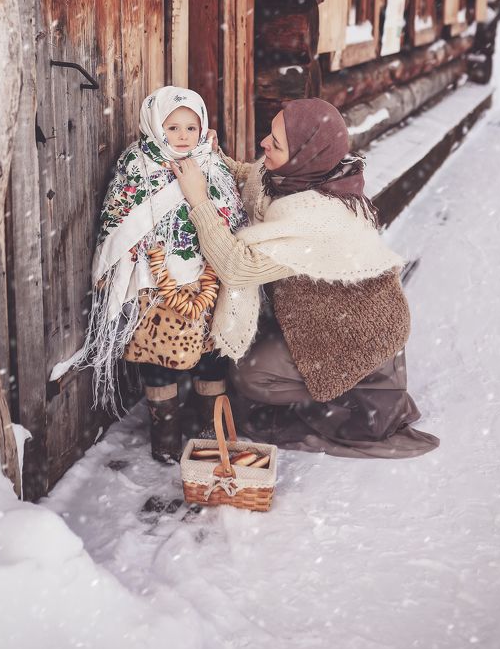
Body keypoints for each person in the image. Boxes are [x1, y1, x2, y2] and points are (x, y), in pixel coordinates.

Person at [170, 98, 439, 458]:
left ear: (304, 155)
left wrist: (199, 200)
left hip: (356, 332)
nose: (264, 142)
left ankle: (346, 390)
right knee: (250, 348)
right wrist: (213, 159)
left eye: (276, 143)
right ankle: (328, 376)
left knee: (249, 376)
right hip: (327, 313)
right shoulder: (304, 175)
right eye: (271, 132)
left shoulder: (317, 217)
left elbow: (238, 267)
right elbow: (252, 176)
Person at [70, 86, 247, 463]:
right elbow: (118, 216)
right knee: (156, 358)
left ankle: (209, 429)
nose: (183, 137)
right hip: (154, 279)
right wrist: (129, 252)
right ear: (154, 125)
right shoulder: (137, 163)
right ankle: (164, 433)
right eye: (173, 128)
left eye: (190, 128)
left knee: (210, 354)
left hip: (205, 277)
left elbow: (230, 208)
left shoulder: (210, 162)